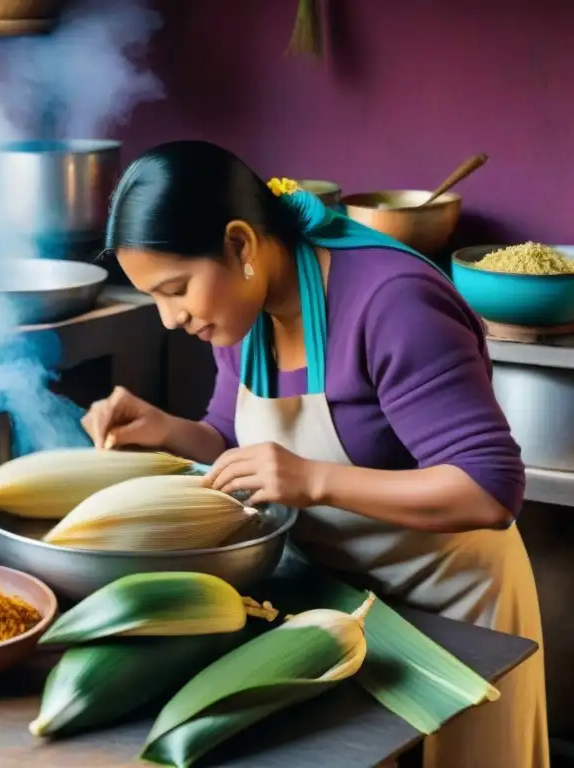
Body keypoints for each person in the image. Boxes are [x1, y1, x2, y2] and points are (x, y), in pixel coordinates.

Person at [83, 141, 546, 768]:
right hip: (345, 609)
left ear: (241, 246)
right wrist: (164, 429)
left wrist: (315, 481)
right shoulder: (242, 314)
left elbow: (489, 491)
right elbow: (231, 438)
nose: (169, 319)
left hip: (456, 609)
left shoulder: (393, 304)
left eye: (175, 289)